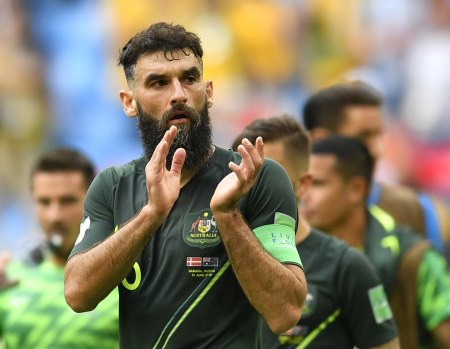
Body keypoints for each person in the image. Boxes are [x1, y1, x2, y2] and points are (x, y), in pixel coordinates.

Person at [63, 22, 306, 348]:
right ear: (128, 102)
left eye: (189, 78)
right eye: (159, 83)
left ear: (208, 91)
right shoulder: (112, 187)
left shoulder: (255, 177)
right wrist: (151, 215)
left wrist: (227, 214)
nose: (178, 94)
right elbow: (78, 294)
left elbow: (285, 312)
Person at [233, 115, 400, 349]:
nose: (250, 183)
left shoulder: (347, 267)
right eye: (242, 169)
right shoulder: (219, 261)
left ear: (303, 184)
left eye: (267, 174)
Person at [304, 135, 450, 348]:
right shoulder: (294, 253)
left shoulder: (413, 258)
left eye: (317, 184)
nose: (304, 195)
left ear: (356, 189)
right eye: (303, 182)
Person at [302, 81, 447, 252]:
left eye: (378, 135)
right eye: (363, 136)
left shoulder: (415, 210)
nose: (377, 150)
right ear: (321, 139)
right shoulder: (286, 216)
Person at [0, 148, 119, 348]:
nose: (54, 216)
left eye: (67, 201)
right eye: (44, 202)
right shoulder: (9, 279)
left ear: (96, 201)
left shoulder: (126, 280)